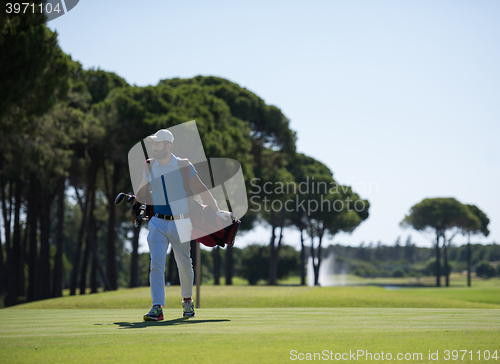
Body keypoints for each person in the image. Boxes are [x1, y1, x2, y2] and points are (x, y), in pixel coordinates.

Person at [135, 129, 231, 321]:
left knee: (184, 265)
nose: (154, 147)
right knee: (156, 265)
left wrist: (217, 210)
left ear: (168, 146)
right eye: (153, 144)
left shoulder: (183, 165)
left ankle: (187, 300)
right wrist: (136, 201)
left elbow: (201, 188)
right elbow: (142, 189)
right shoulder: (150, 166)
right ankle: (157, 308)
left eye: (157, 144)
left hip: (181, 222)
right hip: (157, 222)